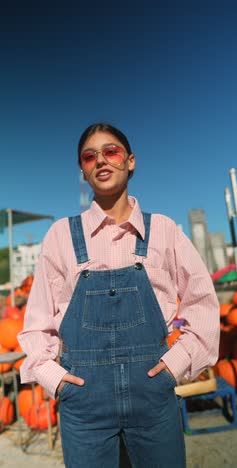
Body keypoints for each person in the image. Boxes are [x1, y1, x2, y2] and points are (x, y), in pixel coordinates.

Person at [18, 123, 220, 468]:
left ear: (130, 161)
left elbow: (203, 305)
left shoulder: (164, 232)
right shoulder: (61, 237)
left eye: (110, 151)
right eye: (89, 156)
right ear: (82, 170)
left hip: (153, 400)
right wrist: (55, 379)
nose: (101, 161)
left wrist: (176, 366)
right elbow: (37, 322)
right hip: (84, 408)